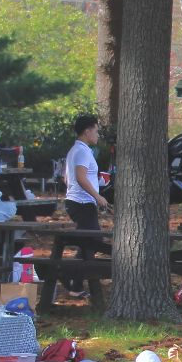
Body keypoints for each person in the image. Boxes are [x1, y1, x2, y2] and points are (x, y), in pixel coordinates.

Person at [61, 113, 109, 265]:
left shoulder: (76, 150)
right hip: (81, 203)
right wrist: (97, 196)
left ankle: (75, 282)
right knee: (93, 240)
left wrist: (97, 181)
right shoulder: (82, 151)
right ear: (87, 131)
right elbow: (81, 178)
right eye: (96, 131)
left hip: (78, 201)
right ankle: (70, 278)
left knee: (90, 241)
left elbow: (66, 177)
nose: (97, 135)